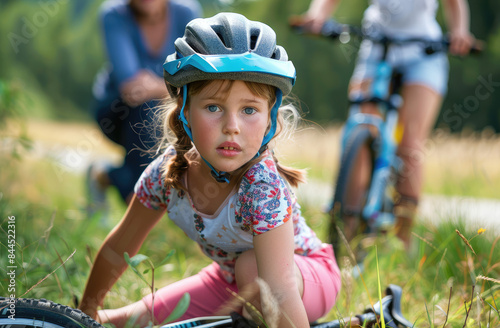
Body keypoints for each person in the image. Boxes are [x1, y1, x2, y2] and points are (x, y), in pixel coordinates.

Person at [79, 12, 341, 328]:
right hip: (229, 281)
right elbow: (120, 245)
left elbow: (280, 291)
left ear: (270, 118)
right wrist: (83, 314)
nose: (232, 127)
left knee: (252, 269)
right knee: (121, 322)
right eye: (214, 107)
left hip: (305, 278)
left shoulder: (261, 186)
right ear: (185, 110)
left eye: (249, 110)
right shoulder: (166, 174)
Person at [293, 0, 476, 249]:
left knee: (410, 145)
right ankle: (344, 236)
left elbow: (454, 3)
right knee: (361, 127)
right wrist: (318, 15)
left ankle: (402, 240)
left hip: (424, 52)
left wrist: (459, 32)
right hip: (377, 45)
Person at [88, 0, 202, 207]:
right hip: (117, 112)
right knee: (149, 112)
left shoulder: (187, 12)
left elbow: (198, 79)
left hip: (171, 110)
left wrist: (157, 86)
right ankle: (140, 204)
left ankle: (104, 176)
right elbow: (131, 87)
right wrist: (175, 85)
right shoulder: (113, 14)